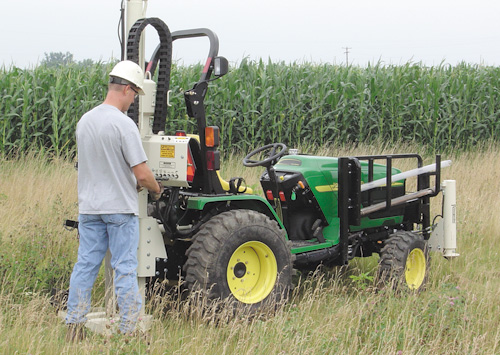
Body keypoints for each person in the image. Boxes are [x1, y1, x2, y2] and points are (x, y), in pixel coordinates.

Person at [65, 60, 162, 340]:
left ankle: (74, 326)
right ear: (127, 89)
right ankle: (131, 330)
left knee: (85, 265)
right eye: (134, 95)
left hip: (89, 209)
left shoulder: (85, 121)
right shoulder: (124, 125)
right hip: (120, 210)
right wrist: (157, 189)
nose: (133, 101)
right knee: (125, 269)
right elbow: (142, 174)